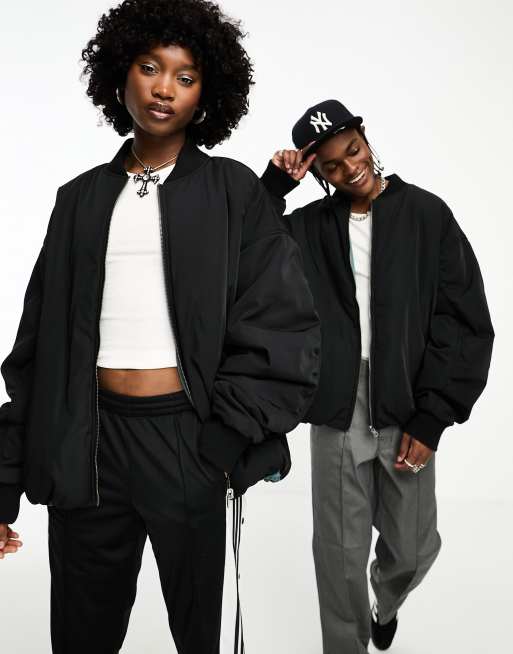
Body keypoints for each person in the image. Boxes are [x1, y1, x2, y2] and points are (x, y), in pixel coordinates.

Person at [0, 2, 321, 653]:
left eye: (185, 75)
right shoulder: (78, 199)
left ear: (206, 94)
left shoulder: (232, 191)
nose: (164, 88)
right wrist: (4, 480)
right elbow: (37, 348)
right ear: (121, 74)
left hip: (188, 439)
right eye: (149, 68)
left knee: (199, 635)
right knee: (81, 635)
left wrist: (224, 438)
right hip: (87, 442)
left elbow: (282, 324)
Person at [260, 99, 494, 652]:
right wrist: (273, 188)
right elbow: (241, 246)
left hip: (407, 401)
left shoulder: (427, 215)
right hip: (338, 406)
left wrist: (433, 415)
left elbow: (463, 320)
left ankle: (384, 603)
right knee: (339, 557)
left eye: (354, 150)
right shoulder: (307, 227)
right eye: (332, 165)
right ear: (318, 172)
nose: (350, 168)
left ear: (365, 137)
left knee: (412, 549)